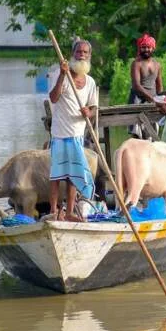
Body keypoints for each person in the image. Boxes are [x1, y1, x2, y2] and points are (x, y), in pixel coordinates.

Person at [48, 39, 99, 222]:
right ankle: (54, 211)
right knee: (56, 175)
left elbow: (94, 107)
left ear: (89, 56)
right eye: (79, 52)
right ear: (73, 54)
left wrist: (89, 111)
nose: (82, 55)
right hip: (60, 133)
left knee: (73, 175)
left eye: (85, 52)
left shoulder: (90, 82)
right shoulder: (61, 74)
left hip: (77, 134)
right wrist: (63, 75)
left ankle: (69, 212)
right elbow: (53, 98)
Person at [127, 33, 162, 139]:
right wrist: (152, 99)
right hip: (137, 99)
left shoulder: (157, 64)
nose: (146, 49)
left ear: (153, 48)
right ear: (140, 48)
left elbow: (159, 84)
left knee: (152, 131)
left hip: (152, 99)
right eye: (143, 47)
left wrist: (160, 98)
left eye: (148, 47)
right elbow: (136, 85)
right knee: (136, 133)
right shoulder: (136, 63)